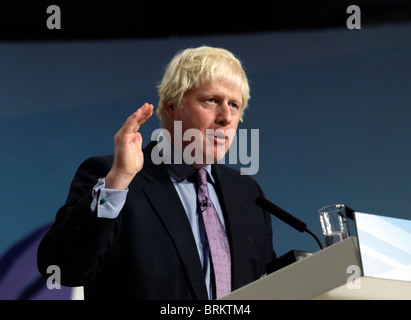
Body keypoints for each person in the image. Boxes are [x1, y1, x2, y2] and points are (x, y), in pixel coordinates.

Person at [37, 46, 276, 300]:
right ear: (172, 106)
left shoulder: (248, 194)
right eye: (212, 100)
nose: (226, 117)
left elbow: (272, 286)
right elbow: (62, 269)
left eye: (235, 105)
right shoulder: (114, 179)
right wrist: (117, 180)